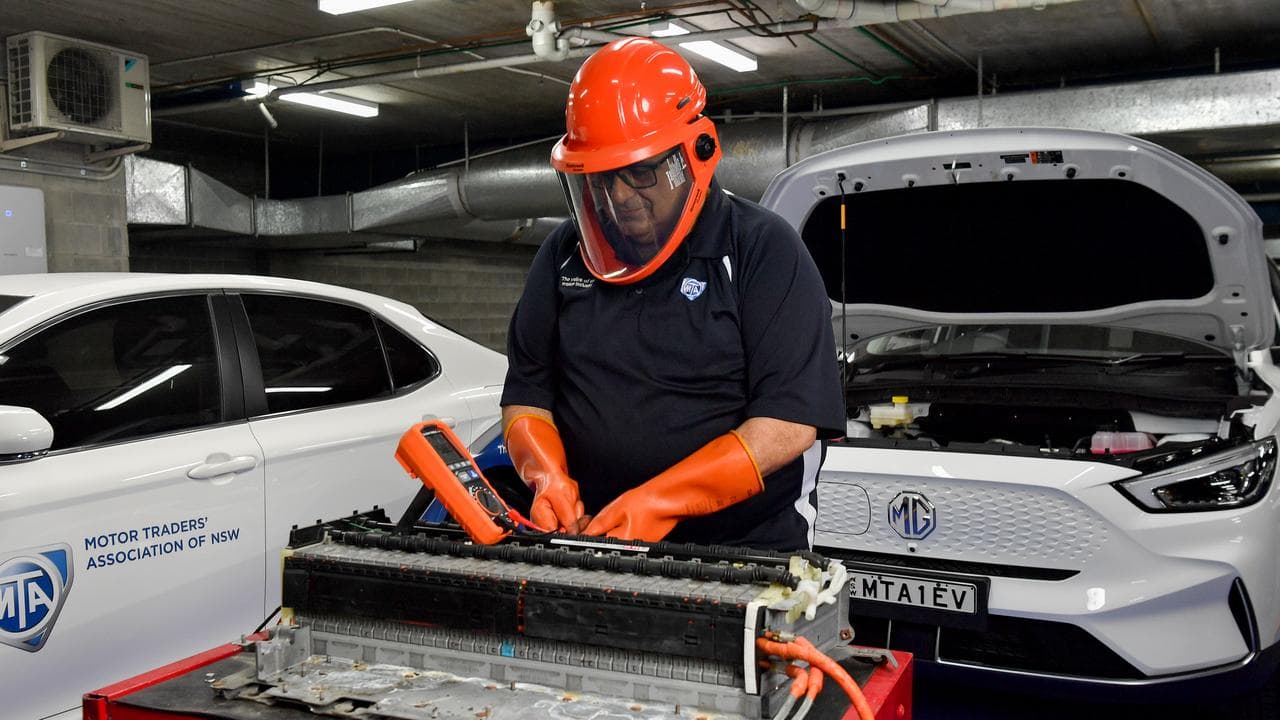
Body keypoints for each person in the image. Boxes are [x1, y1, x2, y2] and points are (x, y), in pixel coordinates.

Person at [500, 36, 843, 551]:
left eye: (640, 172)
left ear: (696, 154)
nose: (619, 198)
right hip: (594, 536)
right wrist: (546, 476)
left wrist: (660, 500)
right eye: (601, 178)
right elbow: (528, 393)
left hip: (743, 548)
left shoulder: (763, 249)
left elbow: (788, 424)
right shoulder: (562, 254)